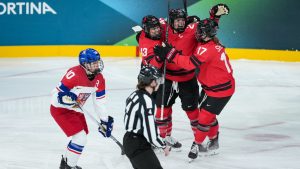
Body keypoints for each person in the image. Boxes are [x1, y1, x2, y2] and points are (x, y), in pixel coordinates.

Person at [154, 18, 235, 160]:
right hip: (210, 87)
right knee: (208, 117)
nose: (197, 33)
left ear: (207, 33)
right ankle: (213, 140)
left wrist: (170, 53)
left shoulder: (207, 48)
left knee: (204, 118)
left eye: (200, 32)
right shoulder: (207, 42)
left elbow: (190, 64)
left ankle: (197, 144)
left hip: (220, 90)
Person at [50, 48, 114, 169]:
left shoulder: (99, 79)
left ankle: (67, 162)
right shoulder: (73, 74)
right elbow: (54, 96)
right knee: (80, 138)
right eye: (94, 63)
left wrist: (104, 120)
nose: (97, 65)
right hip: (61, 110)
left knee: (81, 136)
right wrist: (62, 98)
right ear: (85, 64)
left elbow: (99, 102)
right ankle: (68, 166)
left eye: (98, 62)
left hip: (76, 109)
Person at [123, 65, 171, 169]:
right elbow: (150, 132)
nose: (158, 82)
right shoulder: (146, 101)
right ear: (151, 82)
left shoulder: (134, 95)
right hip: (138, 144)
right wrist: (163, 145)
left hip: (130, 140)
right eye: (157, 79)